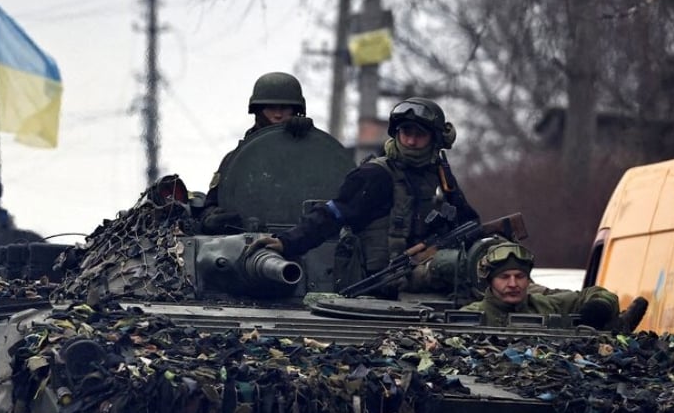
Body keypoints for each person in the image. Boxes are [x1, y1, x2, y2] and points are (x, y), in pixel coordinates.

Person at [248, 97, 479, 297]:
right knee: (452, 264)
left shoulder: (439, 176)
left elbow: (469, 222)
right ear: (397, 133)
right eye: (406, 132)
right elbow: (332, 214)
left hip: (429, 286)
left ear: (435, 139)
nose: (411, 141)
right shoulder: (376, 174)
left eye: (420, 134)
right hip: (380, 284)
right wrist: (287, 242)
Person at [198, 72, 316, 234]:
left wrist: (309, 138)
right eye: (271, 107)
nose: (278, 114)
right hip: (246, 242)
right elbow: (210, 206)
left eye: (285, 108)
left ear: (296, 110)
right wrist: (212, 218)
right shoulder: (237, 160)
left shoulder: (312, 155)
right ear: (258, 110)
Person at [460, 241, 628, 329]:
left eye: (520, 276)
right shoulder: (469, 316)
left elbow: (597, 293)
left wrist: (599, 307)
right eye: (504, 277)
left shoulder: (547, 306)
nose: (513, 284)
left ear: (528, 280)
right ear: (490, 281)